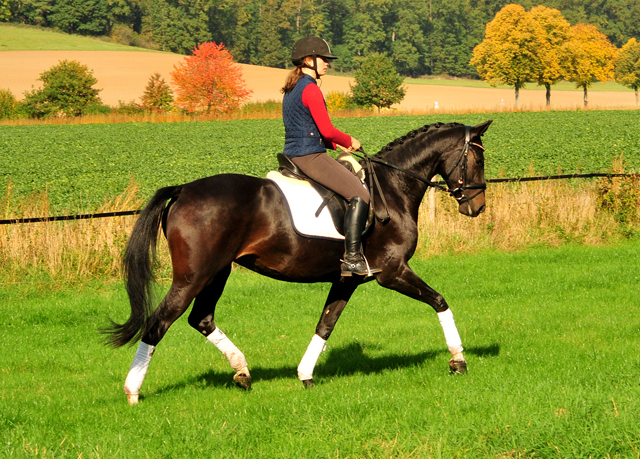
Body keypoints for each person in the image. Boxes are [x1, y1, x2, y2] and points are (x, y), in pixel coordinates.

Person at [280, 35, 380, 277]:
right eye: (323, 59)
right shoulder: (311, 89)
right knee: (360, 193)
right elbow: (326, 129)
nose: (327, 63)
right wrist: (349, 140)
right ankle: (353, 259)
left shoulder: (291, 89)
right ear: (308, 60)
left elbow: (306, 128)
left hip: (293, 154)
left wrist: (335, 146)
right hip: (310, 156)